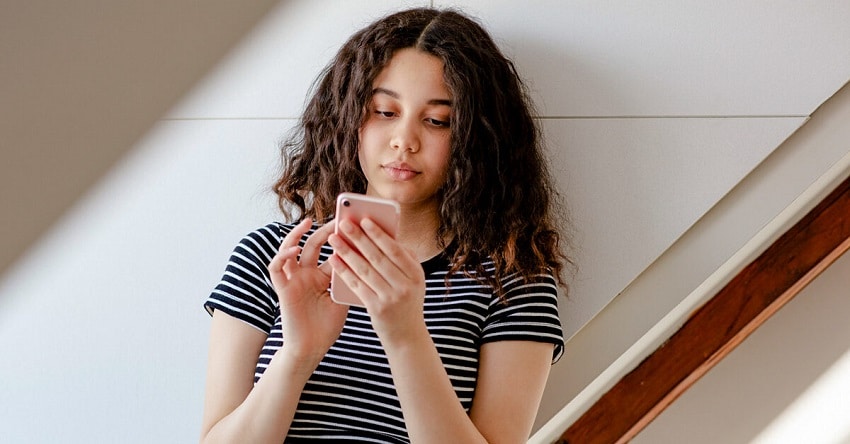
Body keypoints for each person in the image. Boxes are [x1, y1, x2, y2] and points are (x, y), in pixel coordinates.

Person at [200, 7, 571, 444]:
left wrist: (405, 333)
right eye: (383, 111)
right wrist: (298, 355)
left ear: (476, 137)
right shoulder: (272, 258)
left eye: (436, 121)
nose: (404, 141)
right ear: (349, 117)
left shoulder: (515, 280)